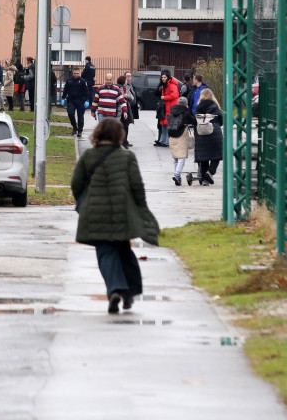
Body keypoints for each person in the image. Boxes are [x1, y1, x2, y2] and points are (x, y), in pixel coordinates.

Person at [71, 117, 152, 313]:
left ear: (98, 133)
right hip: (122, 212)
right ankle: (129, 293)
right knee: (124, 250)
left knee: (106, 252)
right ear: (119, 135)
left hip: (95, 212)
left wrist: (84, 202)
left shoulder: (88, 156)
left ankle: (115, 289)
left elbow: (76, 183)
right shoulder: (127, 157)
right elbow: (137, 186)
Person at [193, 87, 224, 185]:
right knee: (217, 155)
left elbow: (194, 121)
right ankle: (210, 172)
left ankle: (205, 180)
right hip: (214, 133)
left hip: (201, 134)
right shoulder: (215, 107)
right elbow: (221, 121)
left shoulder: (198, 108)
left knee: (203, 158)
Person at [167, 96, 195, 185]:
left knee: (176, 157)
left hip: (172, 137)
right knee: (181, 158)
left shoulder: (171, 112)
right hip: (181, 137)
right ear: (186, 104)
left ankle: (177, 177)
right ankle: (177, 173)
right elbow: (193, 121)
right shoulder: (186, 113)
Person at [61, 67, 90, 136]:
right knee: (70, 113)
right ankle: (74, 127)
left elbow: (86, 91)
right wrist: (63, 98)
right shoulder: (69, 81)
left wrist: (87, 100)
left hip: (80, 101)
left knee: (80, 116)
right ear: (73, 73)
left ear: (79, 73)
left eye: (77, 73)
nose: (76, 75)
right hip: (71, 100)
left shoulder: (82, 81)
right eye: (75, 73)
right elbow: (65, 90)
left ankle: (80, 130)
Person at [154, 70, 178, 147]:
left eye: (164, 77)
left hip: (170, 107)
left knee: (167, 125)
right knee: (164, 125)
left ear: (168, 77)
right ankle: (163, 140)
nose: (163, 78)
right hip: (166, 107)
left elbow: (174, 95)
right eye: (162, 77)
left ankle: (166, 142)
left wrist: (164, 97)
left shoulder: (171, 85)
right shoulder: (166, 85)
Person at [117, 74, 137, 149]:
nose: (127, 81)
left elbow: (132, 98)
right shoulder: (117, 88)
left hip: (127, 109)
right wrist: (122, 99)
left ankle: (125, 141)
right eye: (125, 80)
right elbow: (116, 97)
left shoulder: (127, 87)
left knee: (126, 126)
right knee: (119, 126)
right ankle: (119, 142)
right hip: (119, 110)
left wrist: (127, 97)